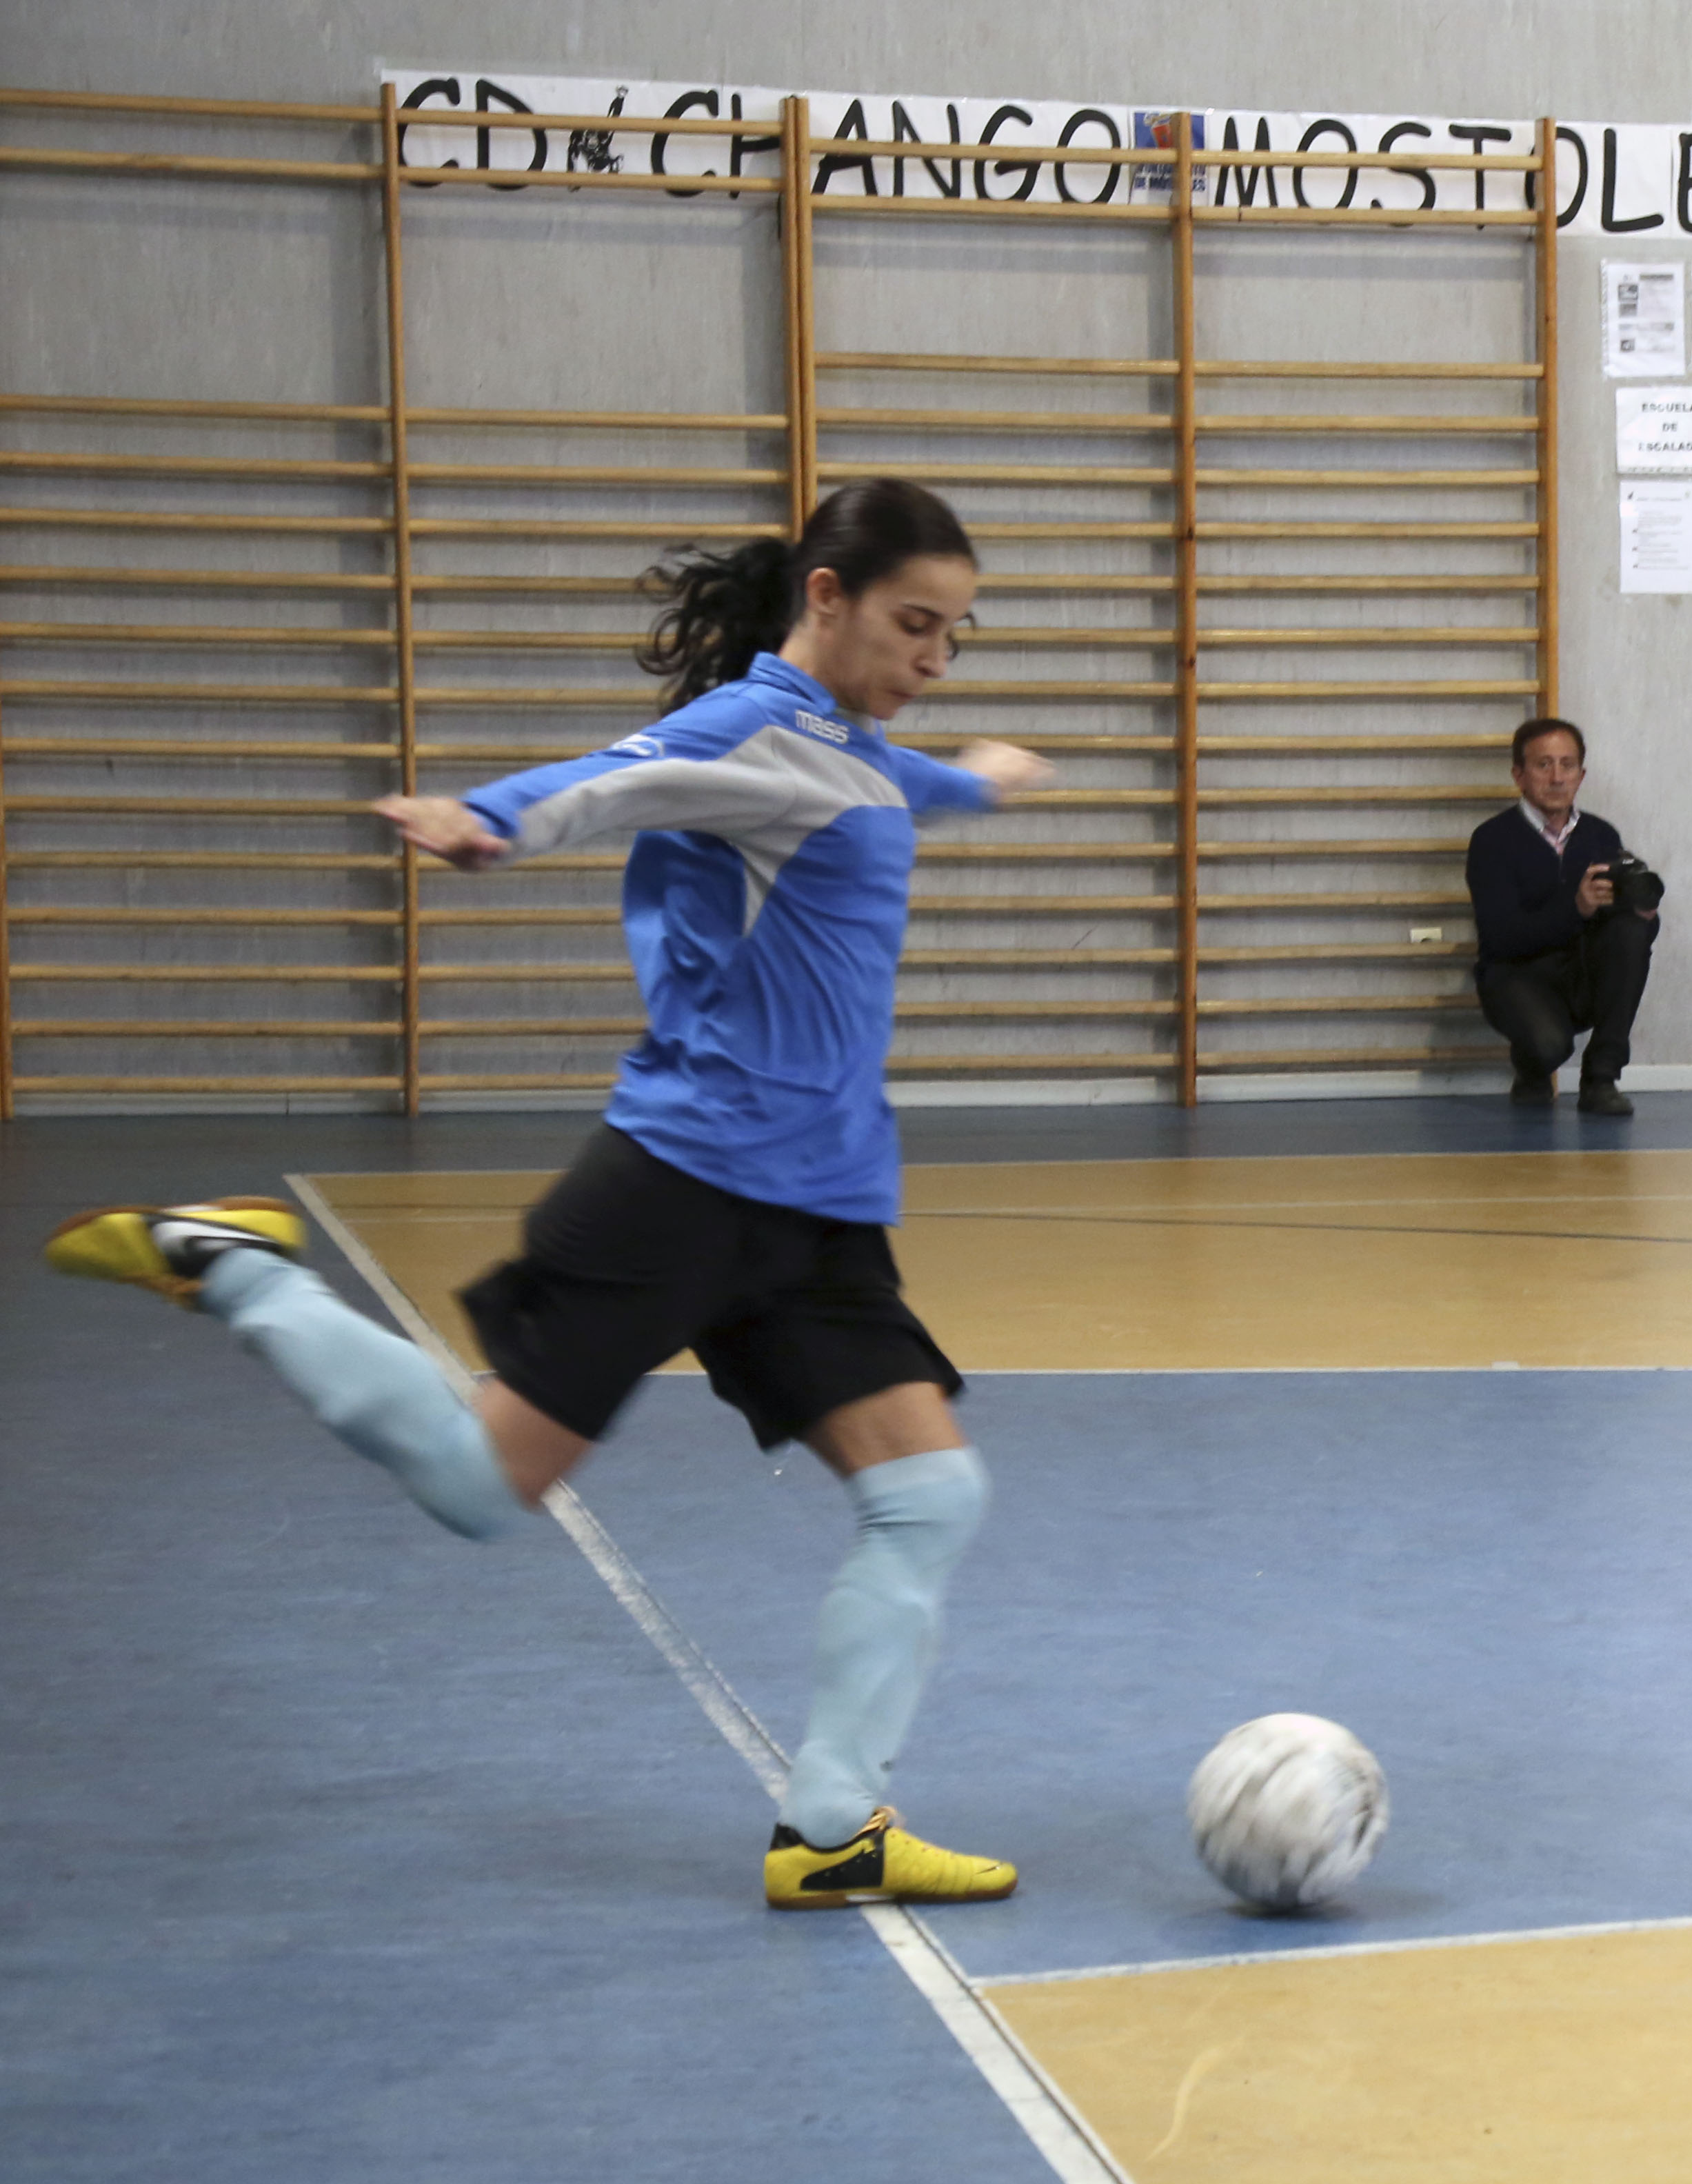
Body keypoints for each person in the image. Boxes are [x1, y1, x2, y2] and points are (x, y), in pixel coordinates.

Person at [42, 481, 1048, 1908]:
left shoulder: (860, 750)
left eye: (957, 636)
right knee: (477, 1486)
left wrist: (985, 778)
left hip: (816, 1209)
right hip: (684, 1185)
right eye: (913, 626)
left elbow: (904, 789)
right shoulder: (745, 732)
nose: (937, 660)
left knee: (930, 1496)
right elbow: (620, 778)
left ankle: (834, 1832)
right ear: (824, 598)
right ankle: (236, 1265)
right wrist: (491, 823)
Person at [1467, 716, 1658, 1114]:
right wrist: (1576, 908)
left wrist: (1643, 912)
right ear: (1519, 775)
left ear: (1581, 775)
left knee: (1632, 932)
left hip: (1579, 975)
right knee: (1548, 1046)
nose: (1557, 777)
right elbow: (1501, 938)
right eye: (1543, 765)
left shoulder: (1601, 835)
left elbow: (1623, 934)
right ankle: (1532, 1068)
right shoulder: (1491, 841)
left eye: (1567, 765)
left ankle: (1601, 1079)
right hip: (1516, 977)